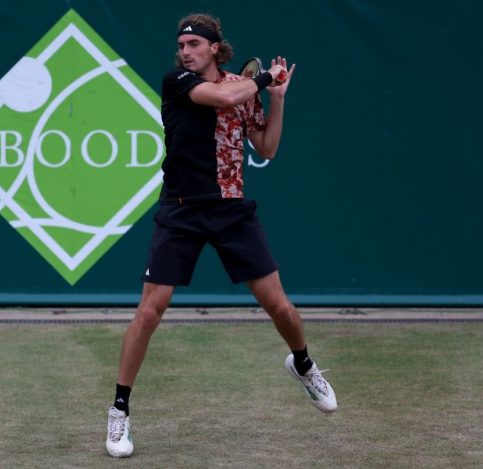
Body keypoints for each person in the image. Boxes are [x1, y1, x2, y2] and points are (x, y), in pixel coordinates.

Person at [105, 13, 337, 458]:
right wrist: (265, 76)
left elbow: (266, 147)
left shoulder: (244, 87)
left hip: (231, 210)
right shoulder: (178, 81)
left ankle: (304, 365)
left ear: (215, 47)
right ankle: (119, 411)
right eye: (182, 44)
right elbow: (226, 94)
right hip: (181, 210)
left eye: (194, 44)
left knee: (280, 306)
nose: (185, 51)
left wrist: (278, 98)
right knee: (150, 311)